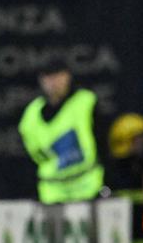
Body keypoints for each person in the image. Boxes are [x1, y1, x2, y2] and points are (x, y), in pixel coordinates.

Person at [18, 60, 105, 204]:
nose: (54, 82)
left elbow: (102, 143)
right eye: (48, 77)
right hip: (52, 193)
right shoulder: (31, 115)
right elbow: (32, 158)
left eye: (58, 76)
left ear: (67, 76)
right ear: (41, 80)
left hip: (88, 188)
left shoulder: (85, 101)